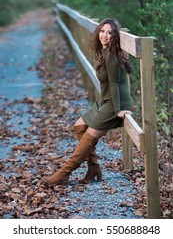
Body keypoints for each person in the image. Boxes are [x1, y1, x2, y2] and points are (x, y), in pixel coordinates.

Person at [43, 18, 133, 185]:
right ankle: (93, 167)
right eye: (102, 31)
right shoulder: (103, 52)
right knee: (79, 126)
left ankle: (64, 172)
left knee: (89, 136)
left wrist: (118, 110)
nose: (105, 36)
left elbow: (113, 84)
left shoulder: (112, 56)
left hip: (116, 103)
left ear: (115, 36)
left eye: (110, 33)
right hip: (106, 100)